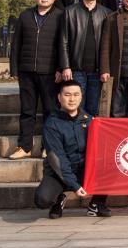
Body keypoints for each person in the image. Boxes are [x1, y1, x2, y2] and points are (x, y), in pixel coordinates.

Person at [34, 80, 109, 219]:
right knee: (42, 199)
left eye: (76, 94)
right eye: (67, 95)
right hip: (58, 173)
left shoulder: (90, 120)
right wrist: (74, 185)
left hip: (84, 170)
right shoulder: (51, 124)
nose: (72, 99)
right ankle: (58, 200)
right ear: (59, 97)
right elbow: (58, 159)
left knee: (112, 166)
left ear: (81, 97)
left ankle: (96, 204)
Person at [8, 0, 67, 160]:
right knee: (27, 111)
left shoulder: (60, 16)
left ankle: (48, 147)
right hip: (26, 71)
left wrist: (60, 68)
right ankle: (24, 146)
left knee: (50, 111)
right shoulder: (26, 15)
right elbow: (16, 43)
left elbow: (63, 45)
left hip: (50, 72)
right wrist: (15, 68)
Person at [61, 0, 110, 117]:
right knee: (76, 106)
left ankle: (90, 131)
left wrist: (105, 68)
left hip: (97, 70)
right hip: (76, 69)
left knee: (93, 107)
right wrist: (65, 66)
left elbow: (109, 44)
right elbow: (63, 41)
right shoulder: (70, 12)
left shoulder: (106, 13)